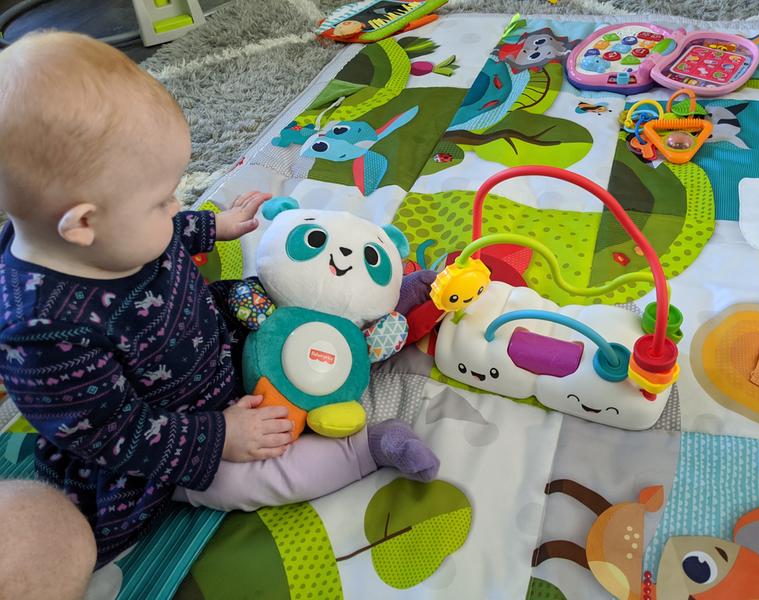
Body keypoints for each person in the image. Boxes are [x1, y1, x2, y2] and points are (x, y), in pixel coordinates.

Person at [0, 31, 438, 597]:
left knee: (293, 299)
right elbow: (114, 436)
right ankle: (365, 448)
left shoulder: (97, 236)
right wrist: (219, 435)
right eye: (162, 202)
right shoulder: (42, 334)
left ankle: (388, 305)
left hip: (216, 340)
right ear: (82, 224)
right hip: (177, 442)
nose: (177, 207)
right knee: (253, 478)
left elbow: (149, 237)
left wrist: (211, 227)